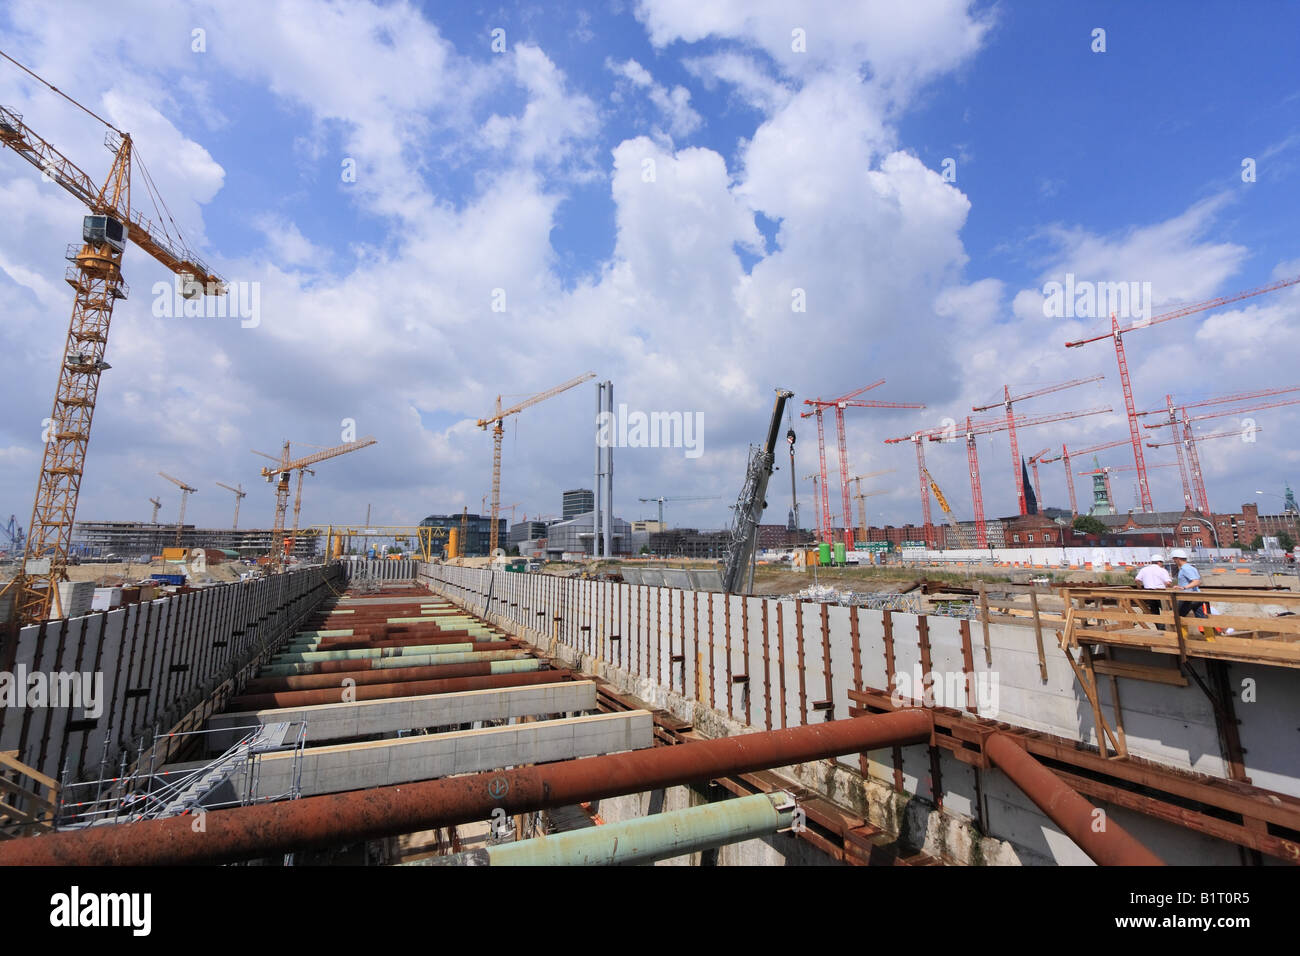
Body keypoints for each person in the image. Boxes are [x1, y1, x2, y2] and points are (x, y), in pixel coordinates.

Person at [1134, 554, 1171, 627]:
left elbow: (1137, 580)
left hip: (1149, 593)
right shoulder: (1162, 570)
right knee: (1166, 611)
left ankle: (1160, 628)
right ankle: (1168, 628)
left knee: (1155, 612)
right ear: (1159, 562)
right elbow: (1168, 583)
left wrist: (1140, 588)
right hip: (1161, 592)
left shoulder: (1144, 569)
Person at [1170, 549, 1206, 619]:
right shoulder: (1191, 568)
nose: (1174, 561)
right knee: (1201, 618)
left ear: (1178, 559)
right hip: (1196, 596)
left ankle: (1180, 630)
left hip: (1188, 597)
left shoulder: (1185, 569)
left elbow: (1196, 581)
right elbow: (1199, 581)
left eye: (1174, 559)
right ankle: (1208, 630)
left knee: (1177, 617)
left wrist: (1184, 587)